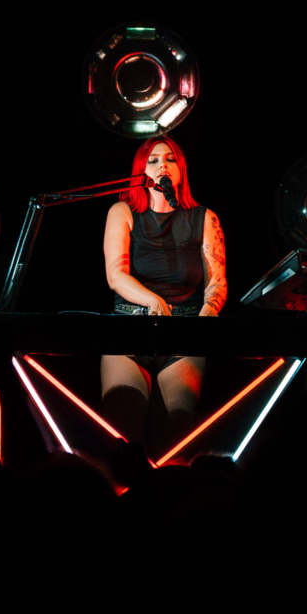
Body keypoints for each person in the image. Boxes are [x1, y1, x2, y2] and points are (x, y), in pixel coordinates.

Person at [98, 138, 227, 450]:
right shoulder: (122, 212)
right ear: (140, 171)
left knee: (178, 429)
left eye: (170, 160)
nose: (162, 166)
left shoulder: (205, 218)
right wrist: (152, 300)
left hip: (183, 330)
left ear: (181, 170)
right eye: (153, 161)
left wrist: (208, 313)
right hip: (130, 327)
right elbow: (116, 276)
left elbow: (216, 281)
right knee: (123, 431)